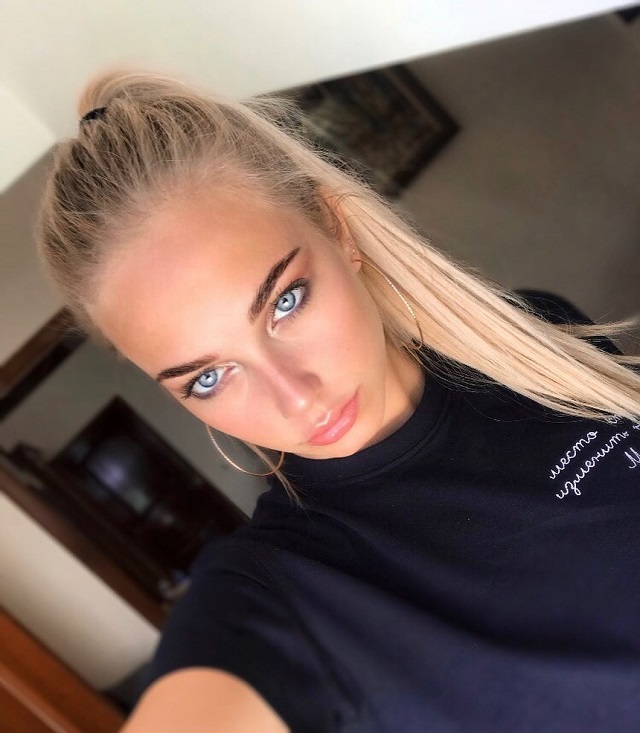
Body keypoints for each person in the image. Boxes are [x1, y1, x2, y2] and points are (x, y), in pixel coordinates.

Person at [36, 70, 640, 733]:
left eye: (285, 302)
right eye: (207, 378)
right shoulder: (275, 597)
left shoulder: (532, 332)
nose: (296, 398)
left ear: (337, 229)